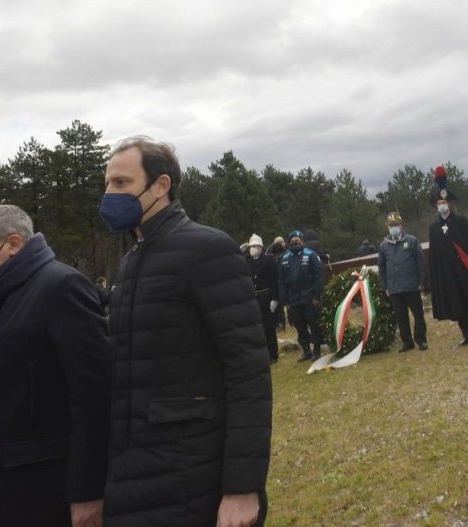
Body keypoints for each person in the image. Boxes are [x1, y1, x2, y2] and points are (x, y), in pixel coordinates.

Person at [99, 137, 272, 527]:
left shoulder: (208, 249)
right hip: (138, 475)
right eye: (108, 183)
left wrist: (241, 488)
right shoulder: (130, 263)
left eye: (122, 183)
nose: (109, 194)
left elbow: (247, 370)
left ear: (161, 186)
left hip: (193, 477)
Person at [0, 204, 112, 527]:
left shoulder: (60, 286)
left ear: (13, 244)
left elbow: (94, 397)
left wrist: (88, 492)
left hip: (39, 486)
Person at [428, 165, 468, 346]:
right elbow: (435, 256)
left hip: (464, 269)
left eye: (443, 203)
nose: (441, 206)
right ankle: (466, 333)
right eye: (438, 204)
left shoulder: (461, 222)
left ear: (449, 204)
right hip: (448, 273)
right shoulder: (434, 229)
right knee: (457, 302)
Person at [378, 212, 428, 352]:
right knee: (401, 317)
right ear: (387, 227)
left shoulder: (412, 240)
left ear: (401, 226)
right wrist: (385, 286)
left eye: (396, 225)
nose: (394, 227)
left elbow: (420, 262)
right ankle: (407, 342)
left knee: (418, 315)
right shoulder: (383, 246)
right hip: (394, 288)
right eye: (391, 225)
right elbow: (381, 268)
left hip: (412, 285)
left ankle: (421, 340)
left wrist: (421, 281)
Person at [280, 229, 324, 362]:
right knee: (300, 326)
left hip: (309, 297)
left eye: (297, 241)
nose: (295, 243)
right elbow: (281, 281)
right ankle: (306, 350)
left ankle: (316, 350)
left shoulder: (311, 255)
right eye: (292, 241)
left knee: (314, 324)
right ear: (289, 243)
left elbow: (319, 276)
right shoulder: (285, 259)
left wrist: (317, 296)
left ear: (302, 241)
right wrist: (285, 299)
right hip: (293, 299)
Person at [247, 234, 280, 363]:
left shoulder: (268, 260)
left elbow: (274, 280)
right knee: (258, 329)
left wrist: (274, 299)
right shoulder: (247, 262)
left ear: (261, 247)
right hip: (254, 299)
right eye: (251, 246)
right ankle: (262, 354)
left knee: (269, 329)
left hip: (266, 298)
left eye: (255, 246)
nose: (253, 249)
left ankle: (273, 354)